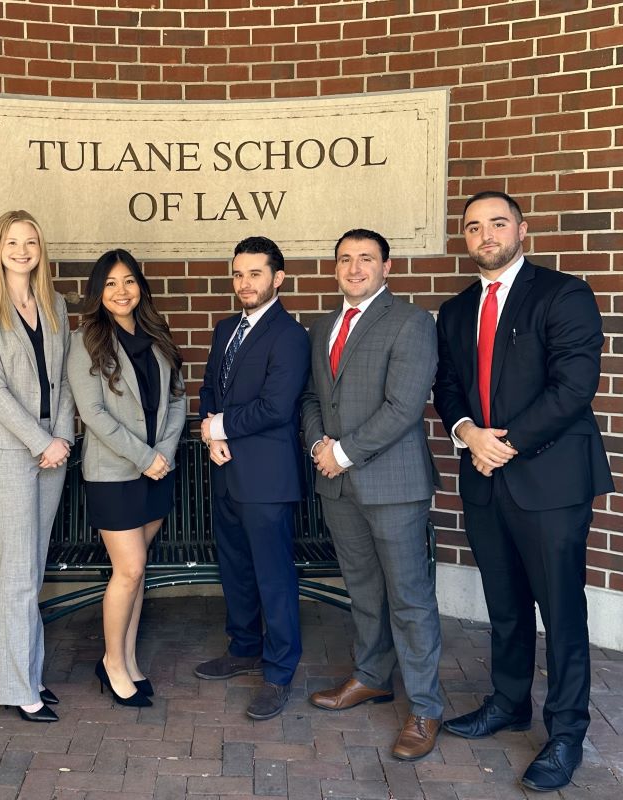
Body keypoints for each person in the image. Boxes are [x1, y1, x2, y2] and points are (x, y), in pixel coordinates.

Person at [433, 191, 614, 791]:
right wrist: (465, 432)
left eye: (497, 223)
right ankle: (509, 701)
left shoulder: (564, 294)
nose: (486, 234)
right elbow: (450, 386)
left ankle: (566, 731)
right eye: (473, 227)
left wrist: (501, 443)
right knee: (505, 604)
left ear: (522, 229)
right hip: (484, 480)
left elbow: (574, 386)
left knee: (560, 611)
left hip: (549, 477)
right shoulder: (457, 311)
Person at [301, 229, 443, 760]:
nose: (355, 268)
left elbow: (404, 408)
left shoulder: (410, 323)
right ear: (334, 267)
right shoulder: (322, 327)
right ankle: (371, 676)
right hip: (339, 487)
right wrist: (319, 443)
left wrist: (344, 452)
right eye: (345, 259)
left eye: (366, 259)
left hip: (392, 485)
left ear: (387, 267)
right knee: (363, 591)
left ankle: (426, 707)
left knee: (409, 598)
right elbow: (313, 396)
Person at [195, 236, 310, 721]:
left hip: (267, 478)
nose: (245, 283)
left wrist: (218, 425)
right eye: (238, 274)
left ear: (277, 278)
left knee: (273, 577)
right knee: (236, 569)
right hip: (225, 470)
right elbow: (207, 388)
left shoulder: (290, 335)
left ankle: (279, 670)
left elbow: (276, 407)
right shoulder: (225, 328)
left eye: (255, 274)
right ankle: (243, 647)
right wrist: (209, 432)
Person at [0, 210, 74, 723]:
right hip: (12, 452)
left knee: (33, 565)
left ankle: (28, 673)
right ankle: (17, 687)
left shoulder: (55, 305)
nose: (23, 249)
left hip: (54, 451)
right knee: (17, 571)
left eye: (31, 240)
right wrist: (39, 441)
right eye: (13, 241)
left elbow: (69, 380)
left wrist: (63, 439)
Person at [67, 249, 186, 707]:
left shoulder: (157, 334)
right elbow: (92, 413)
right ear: (99, 291)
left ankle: (129, 657)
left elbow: (177, 398)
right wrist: (143, 456)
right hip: (115, 473)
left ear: (141, 287)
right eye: (111, 283)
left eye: (130, 281)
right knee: (130, 568)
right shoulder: (87, 341)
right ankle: (111, 663)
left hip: (157, 470)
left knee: (138, 572)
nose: (122, 291)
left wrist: (164, 454)